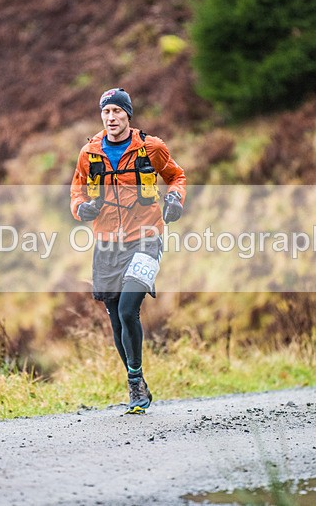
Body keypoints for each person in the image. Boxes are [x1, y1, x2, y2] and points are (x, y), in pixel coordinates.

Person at [70, 88, 186, 414]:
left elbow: (176, 176)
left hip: (146, 239)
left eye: (118, 112)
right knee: (115, 319)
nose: (111, 118)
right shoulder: (89, 153)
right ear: (101, 116)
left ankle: (134, 382)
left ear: (128, 115)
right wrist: (82, 210)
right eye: (106, 112)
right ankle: (136, 380)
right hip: (107, 244)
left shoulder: (151, 147)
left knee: (127, 308)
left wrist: (175, 199)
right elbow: (77, 191)